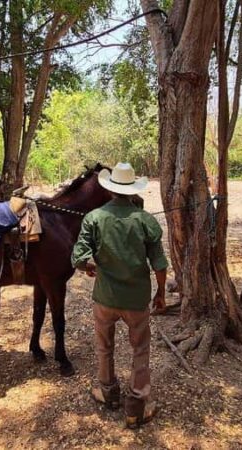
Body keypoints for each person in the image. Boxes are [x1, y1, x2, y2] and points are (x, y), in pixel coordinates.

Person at [70, 162, 168, 429]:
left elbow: (77, 257)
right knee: (140, 350)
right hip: (137, 300)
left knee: (104, 347)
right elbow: (160, 264)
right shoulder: (145, 220)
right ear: (133, 190)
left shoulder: (94, 218)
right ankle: (135, 408)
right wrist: (160, 293)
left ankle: (108, 393)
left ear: (110, 189)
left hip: (105, 298)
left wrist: (89, 266)